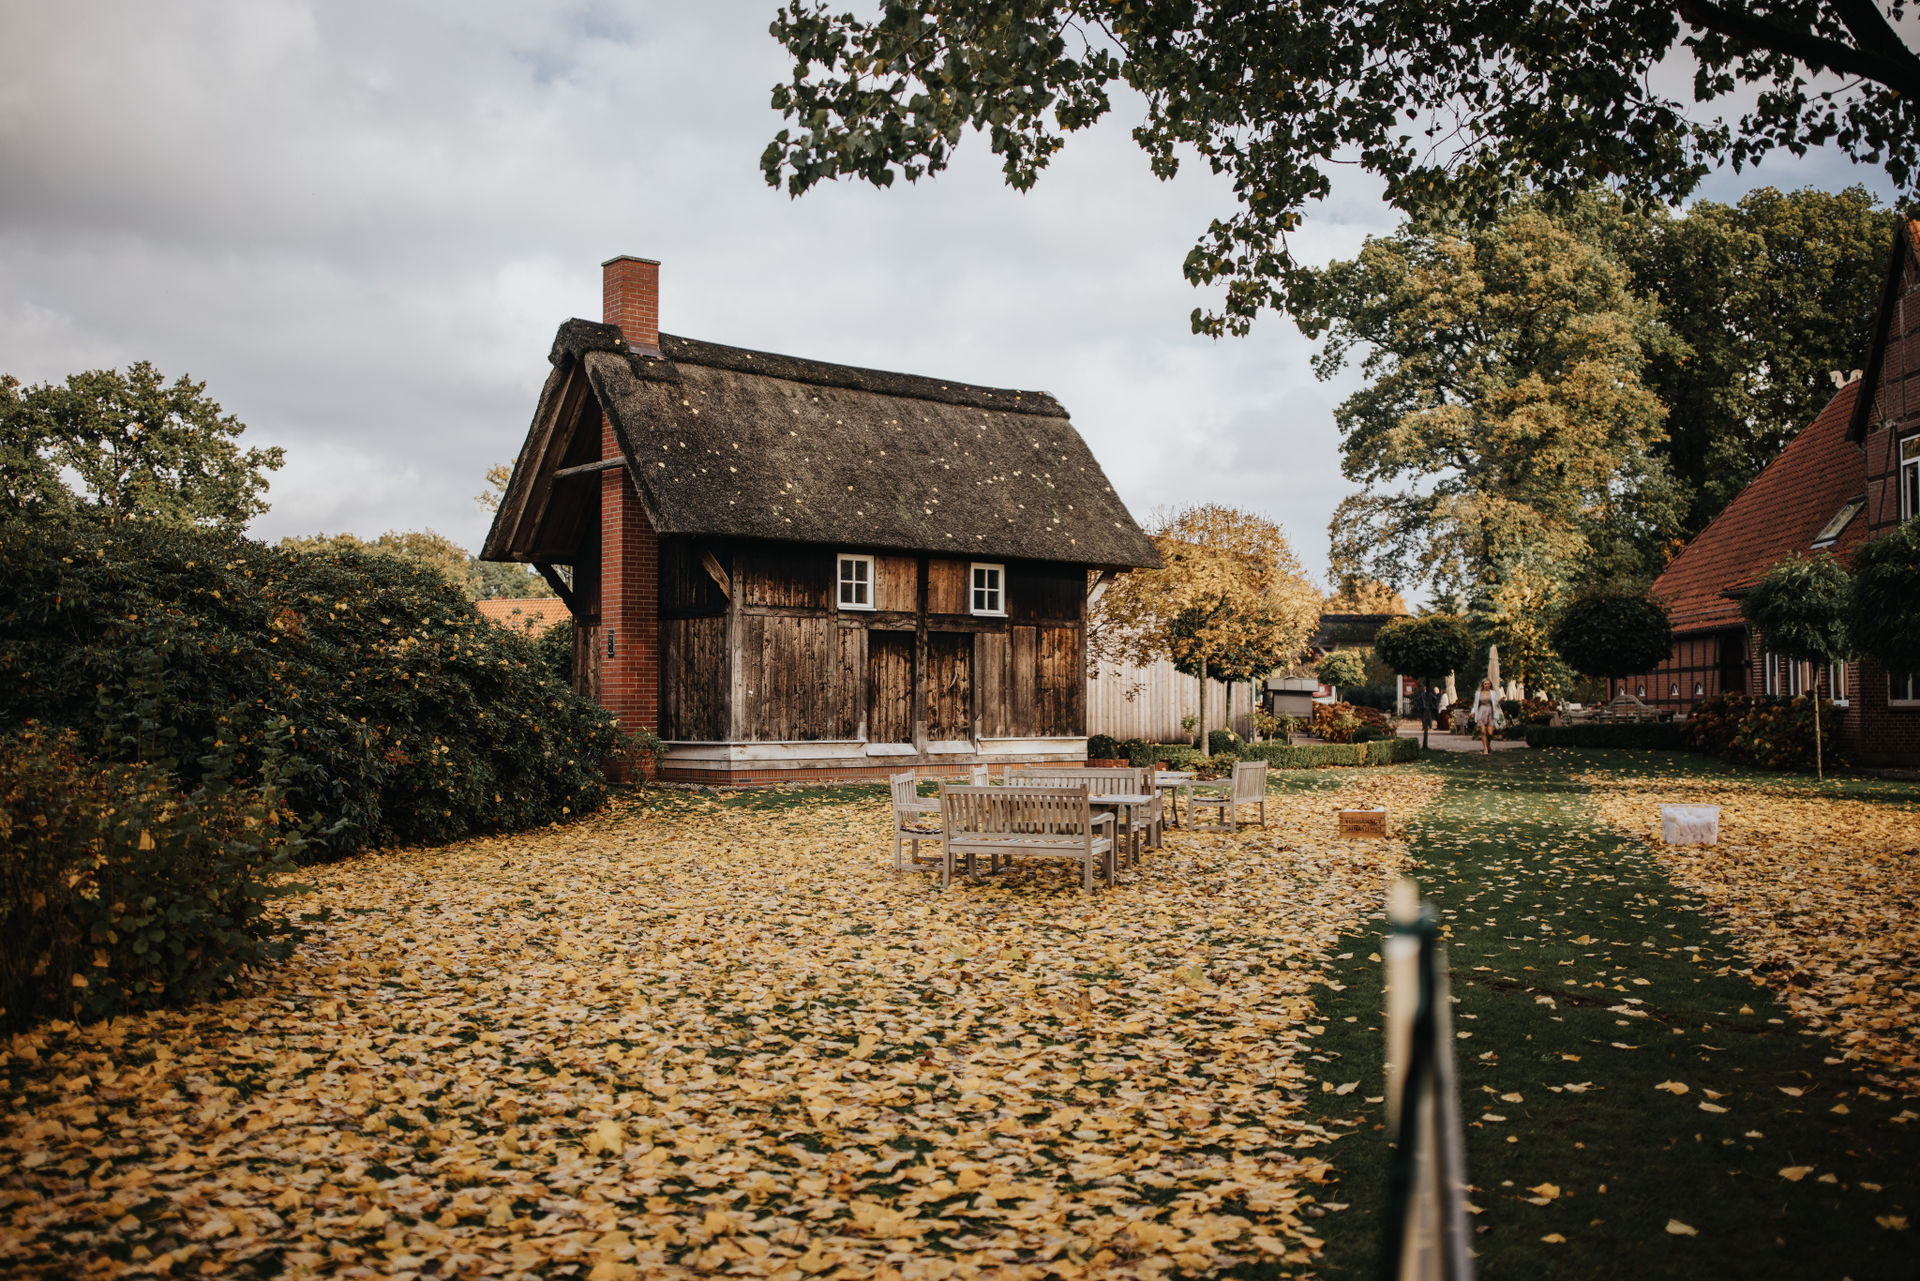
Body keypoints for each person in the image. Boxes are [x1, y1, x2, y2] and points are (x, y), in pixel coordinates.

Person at [1470, 678, 1499, 754]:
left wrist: (1499, 702)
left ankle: (1488, 745)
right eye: (1485, 684)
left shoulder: (1493, 693)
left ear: (1490, 685)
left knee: (1490, 733)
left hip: (1490, 712)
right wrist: (1473, 712)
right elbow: (1475, 704)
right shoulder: (1478, 693)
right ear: (1483, 684)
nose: (1487, 685)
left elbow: (1496, 704)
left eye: (1488, 684)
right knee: (1483, 732)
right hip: (1481, 712)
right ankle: (1485, 748)